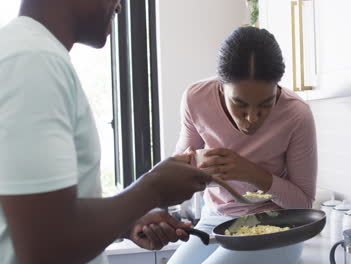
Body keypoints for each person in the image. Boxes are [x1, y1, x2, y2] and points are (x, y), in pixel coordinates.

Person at [0, 0, 211, 263]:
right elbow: (46, 246)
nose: (120, 6)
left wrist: (124, 223)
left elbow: (37, 218)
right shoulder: (33, 61)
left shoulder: (24, 52)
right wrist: (153, 188)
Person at [167, 27, 317, 264]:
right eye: (240, 104)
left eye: (266, 104)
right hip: (215, 218)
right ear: (220, 86)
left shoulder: (297, 114)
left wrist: (249, 172)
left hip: (277, 225)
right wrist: (189, 170)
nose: (252, 118)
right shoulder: (195, 98)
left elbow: (303, 203)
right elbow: (179, 164)